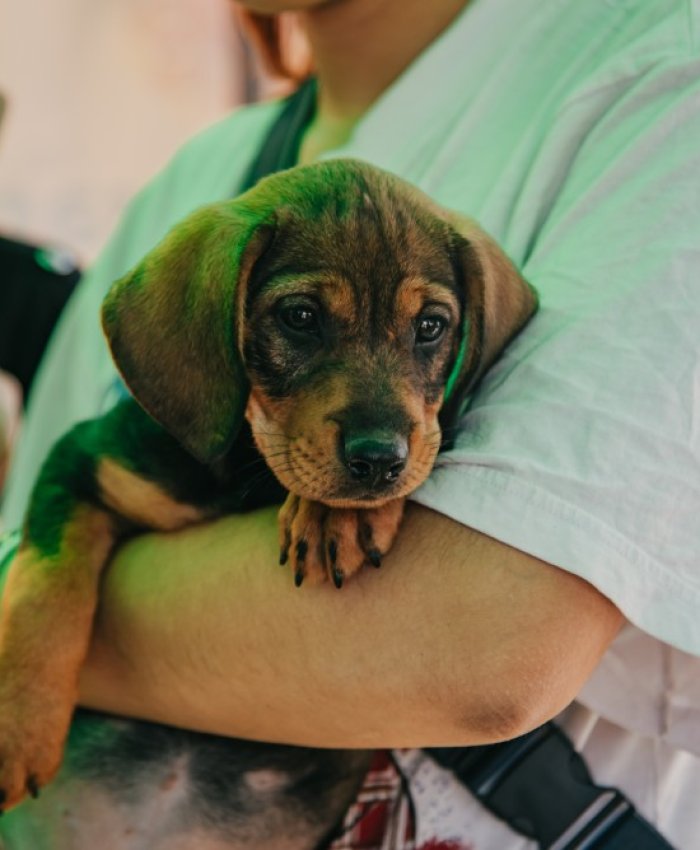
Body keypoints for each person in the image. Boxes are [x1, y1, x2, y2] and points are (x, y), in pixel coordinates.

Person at [1, 0, 699, 847]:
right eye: (300, 320)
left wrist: (78, 637)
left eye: (429, 329)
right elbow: (44, 515)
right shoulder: (199, 178)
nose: (381, 430)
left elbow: (485, 649)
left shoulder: (660, 69)